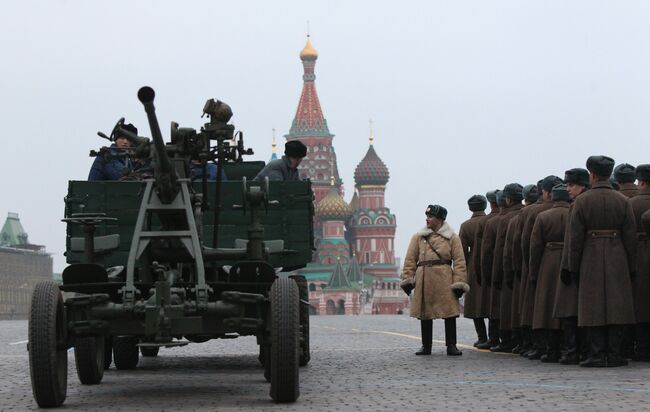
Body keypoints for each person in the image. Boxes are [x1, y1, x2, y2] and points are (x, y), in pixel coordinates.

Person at [568, 155, 637, 367]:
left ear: (593, 174)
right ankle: (615, 353)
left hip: (590, 255)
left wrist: (572, 266)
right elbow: (630, 236)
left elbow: (575, 238)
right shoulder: (622, 201)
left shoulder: (581, 201)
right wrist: (631, 265)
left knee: (592, 306)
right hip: (618, 256)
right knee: (618, 305)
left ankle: (596, 354)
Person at [401, 204, 469, 356]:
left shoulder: (452, 237)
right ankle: (426, 346)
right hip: (424, 277)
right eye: (427, 216)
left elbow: (459, 261)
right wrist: (407, 278)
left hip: (445, 278)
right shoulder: (418, 236)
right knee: (425, 314)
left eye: (430, 217)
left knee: (449, 313)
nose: (427, 219)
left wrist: (459, 282)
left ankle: (451, 345)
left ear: (440, 219)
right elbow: (410, 259)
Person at [520, 175, 563, 359]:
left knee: (540, 307)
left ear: (546, 192)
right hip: (567, 261)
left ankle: (542, 346)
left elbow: (526, 243)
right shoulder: (572, 209)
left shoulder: (533, 212)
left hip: (545, 262)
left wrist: (530, 267)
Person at [529, 184, 571, 363]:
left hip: (548, 262)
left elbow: (535, 247)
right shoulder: (573, 213)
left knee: (547, 307)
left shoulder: (543, 217)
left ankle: (550, 349)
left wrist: (534, 272)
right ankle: (568, 347)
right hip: (569, 260)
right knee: (567, 307)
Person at [553, 168, 590, 365]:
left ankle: (572, 351)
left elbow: (573, 240)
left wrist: (569, 266)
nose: (568, 189)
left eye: (571, 185)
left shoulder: (578, 205)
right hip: (592, 262)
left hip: (578, 262)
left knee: (570, 308)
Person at [491, 183, 524, 352]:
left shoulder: (505, 220)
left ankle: (508, 342)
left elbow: (502, 251)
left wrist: (497, 275)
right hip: (527, 268)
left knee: (507, 308)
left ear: (508, 199)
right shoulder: (527, 213)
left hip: (510, 270)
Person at [509, 184, 538, 354]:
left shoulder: (524, 215)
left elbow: (521, 244)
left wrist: (520, 267)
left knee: (529, 308)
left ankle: (529, 344)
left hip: (530, 264)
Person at [459, 194, 489, 347]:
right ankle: (496, 337)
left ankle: (482, 337)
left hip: (473, 266)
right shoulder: (490, 220)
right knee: (492, 302)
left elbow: (462, 252)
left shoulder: (466, 226)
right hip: (491, 263)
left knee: (476, 303)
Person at [473, 190, 501, 349]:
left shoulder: (485, 223)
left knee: (483, 305)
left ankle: (485, 338)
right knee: (499, 304)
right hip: (501, 266)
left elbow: (481, 250)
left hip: (483, 267)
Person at [628, 164, 650, 360]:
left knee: (641, 303)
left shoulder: (632, 204)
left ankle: (642, 348)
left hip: (639, 254)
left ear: (641, 182)